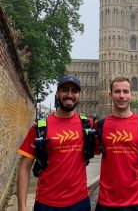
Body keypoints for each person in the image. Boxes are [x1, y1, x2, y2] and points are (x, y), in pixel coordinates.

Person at [17, 76, 91, 211]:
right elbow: (24, 168)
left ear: (79, 95)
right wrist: (22, 207)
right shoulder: (40, 127)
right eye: (65, 90)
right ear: (57, 93)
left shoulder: (87, 125)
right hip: (46, 204)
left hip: (80, 202)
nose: (69, 95)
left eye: (74, 91)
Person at [95, 77, 138, 211]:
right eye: (117, 91)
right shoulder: (101, 126)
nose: (121, 96)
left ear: (132, 94)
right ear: (110, 95)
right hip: (106, 204)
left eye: (125, 91)